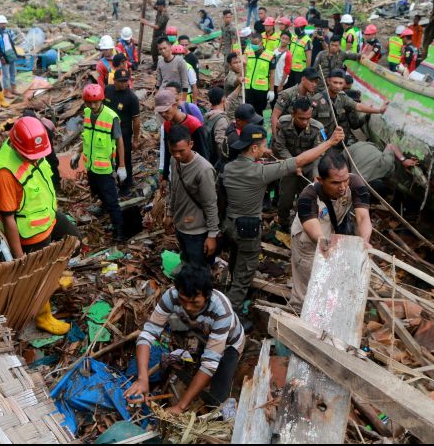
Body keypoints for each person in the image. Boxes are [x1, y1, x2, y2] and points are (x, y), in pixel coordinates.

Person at [222, 123, 346, 319]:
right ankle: (230, 316)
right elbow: (299, 160)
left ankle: (228, 294)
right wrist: (330, 142)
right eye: (262, 146)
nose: (265, 150)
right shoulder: (259, 173)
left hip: (229, 226)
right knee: (245, 274)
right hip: (248, 231)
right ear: (254, 148)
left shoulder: (229, 168)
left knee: (235, 264)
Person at [0, 116, 81, 335]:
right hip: (31, 232)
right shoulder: (3, 173)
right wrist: (20, 256)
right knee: (38, 276)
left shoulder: (30, 144)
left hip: (48, 216)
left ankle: (55, 277)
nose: (35, 160)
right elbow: (7, 217)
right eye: (30, 157)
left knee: (74, 240)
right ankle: (43, 316)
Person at [125, 265, 244, 412]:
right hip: (203, 333)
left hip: (229, 343)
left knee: (218, 397)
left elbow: (209, 364)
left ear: (207, 296)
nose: (187, 307)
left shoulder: (222, 311)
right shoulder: (171, 296)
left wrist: (181, 406)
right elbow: (148, 333)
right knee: (199, 363)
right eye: (183, 300)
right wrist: (142, 378)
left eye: (194, 302)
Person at [289, 151, 372, 309]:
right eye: (335, 183)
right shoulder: (308, 196)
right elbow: (313, 229)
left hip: (329, 236)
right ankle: (297, 315)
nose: (342, 187)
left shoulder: (355, 184)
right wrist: (327, 245)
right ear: (320, 180)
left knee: (328, 279)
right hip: (307, 241)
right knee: (305, 287)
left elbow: (363, 217)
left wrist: (364, 242)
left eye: (345, 180)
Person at [70, 84, 127, 242]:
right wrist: (77, 153)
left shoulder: (111, 116)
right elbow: (86, 135)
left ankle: (119, 231)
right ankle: (103, 209)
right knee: (97, 192)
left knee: (112, 200)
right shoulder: (87, 113)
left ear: (102, 100)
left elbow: (119, 141)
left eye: (96, 102)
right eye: (89, 103)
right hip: (90, 165)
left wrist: (121, 165)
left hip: (105, 168)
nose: (93, 106)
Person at [165, 126, 220, 267]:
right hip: (181, 226)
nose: (177, 155)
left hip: (198, 231)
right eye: (173, 151)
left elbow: (211, 204)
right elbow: (174, 189)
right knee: (186, 262)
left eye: (181, 151)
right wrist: (170, 213)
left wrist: (212, 235)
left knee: (198, 269)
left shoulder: (204, 170)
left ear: (191, 144)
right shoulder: (174, 161)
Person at [273, 97, 327, 231]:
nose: (305, 122)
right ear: (293, 115)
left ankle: (303, 225)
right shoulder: (283, 123)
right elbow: (280, 146)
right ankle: (283, 223)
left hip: (309, 168)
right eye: (301, 118)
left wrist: (309, 170)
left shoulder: (318, 128)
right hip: (289, 167)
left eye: (307, 118)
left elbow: (319, 152)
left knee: (307, 199)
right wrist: (293, 164)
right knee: (285, 199)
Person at [312, 69, 388, 146]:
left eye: (340, 83)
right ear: (328, 81)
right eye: (335, 82)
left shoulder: (342, 97)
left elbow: (358, 106)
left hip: (335, 141)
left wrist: (379, 110)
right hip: (319, 142)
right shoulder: (317, 100)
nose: (338, 86)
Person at [156, 90, 211, 188]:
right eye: (161, 112)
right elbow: (167, 151)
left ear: (175, 105)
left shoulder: (194, 125)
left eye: (166, 111)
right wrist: (164, 176)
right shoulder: (167, 125)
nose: (163, 115)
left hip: (195, 169)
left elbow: (204, 154)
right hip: (178, 169)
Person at [104, 69, 140, 195]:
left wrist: (135, 139)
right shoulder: (108, 90)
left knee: (124, 158)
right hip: (106, 129)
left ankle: (125, 185)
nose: (124, 84)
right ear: (114, 80)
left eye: (126, 81)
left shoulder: (131, 98)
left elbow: (136, 120)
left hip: (124, 131)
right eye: (121, 81)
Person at [347, 141, 418, 197]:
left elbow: (391, 145)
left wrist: (403, 160)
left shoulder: (387, 164)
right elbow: (390, 145)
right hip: (358, 148)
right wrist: (403, 160)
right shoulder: (357, 181)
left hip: (364, 146)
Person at [271, 67, 319, 137]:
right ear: (303, 79)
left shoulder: (310, 97)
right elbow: (274, 116)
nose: (314, 84)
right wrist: (275, 137)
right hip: (284, 133)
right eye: (311, 81)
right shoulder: (287, 94)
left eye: (316, 82)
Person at [243, 32, 276, 116]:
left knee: (259, 112)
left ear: (262, 42)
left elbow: (272, 74)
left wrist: (271, 90)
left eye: (256, 44)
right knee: (248, 111)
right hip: (248, 87)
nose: (253, 45)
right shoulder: (248, 51)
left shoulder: (270, 55)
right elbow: (245, 69)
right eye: (252, 43)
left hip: (261, 90)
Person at [205, 87, 231, 165]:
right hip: (216, 162)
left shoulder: (207, 116)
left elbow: (231, 99)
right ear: (223, 99)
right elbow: (220, 145)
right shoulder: (221, 120)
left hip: (208, 158)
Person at [0, 15, 18, 99]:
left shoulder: (8, 32)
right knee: (6, 75)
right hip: (4, 56)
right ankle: (6, 92)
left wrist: (15, 53)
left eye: (4, 23)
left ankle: (13, 88)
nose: (3, 25)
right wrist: (1, 57)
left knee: (13, 72)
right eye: (1, 24)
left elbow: (11, 44)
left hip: (11, 54)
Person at [142, 0, 169, 69]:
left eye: (158, 6)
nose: (157, 7)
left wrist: (146, 22)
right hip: (156, 35)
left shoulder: (164, 15)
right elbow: (152, 5)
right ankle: (156, 64)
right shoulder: (159, 10)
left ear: (162, 6)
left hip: (160, 36)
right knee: (153, 50)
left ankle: (161, 64)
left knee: (161, 50)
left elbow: (157, 27)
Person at [286, 17, 312, 89]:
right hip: (291, 69)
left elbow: (308, 57)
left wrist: (307, 73)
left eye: (297, 27)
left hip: (300, 71)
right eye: (295, 27)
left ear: (303, 28)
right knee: (290, 88)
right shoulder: (294, 38)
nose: (296, 29)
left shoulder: (307, 40)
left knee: (298, 89)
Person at [273, 31, 293, 102]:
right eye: (283, 38)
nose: (284, 40)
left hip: (280, 82)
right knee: (272, 101)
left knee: (279, 102)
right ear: (280, 38)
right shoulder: (274, 50)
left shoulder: (288, 54)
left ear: (289, 42)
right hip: (273, 81)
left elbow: (287, 70)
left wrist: (281, 85)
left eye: (286, 39)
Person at [224, 53, 244, 121]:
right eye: (235, 63)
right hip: (232, 114)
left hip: (242, 110)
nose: (239, 65)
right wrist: (243, 68)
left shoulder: (242, 73)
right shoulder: (229, 76)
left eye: (239, 62)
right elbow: (236, 81)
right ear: (230, 65)